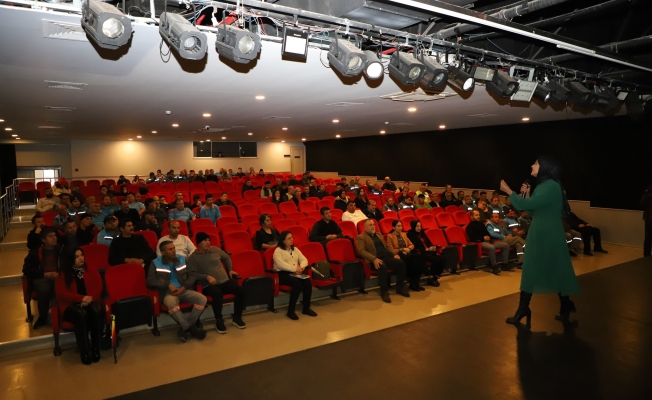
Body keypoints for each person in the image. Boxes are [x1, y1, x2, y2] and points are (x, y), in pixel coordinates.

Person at [500, 156, 580, 327]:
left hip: (549, 234)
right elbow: (531, 211)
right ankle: (525, 308)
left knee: (555, 268)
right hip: (541, 232)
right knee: (533, 268)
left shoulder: (551, 186)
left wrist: (508, 191)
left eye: (536, 163)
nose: (532, 165)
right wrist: (528, 195)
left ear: (545, 167)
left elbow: (526, 206)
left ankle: (564, 304)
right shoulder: (543, 186)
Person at [147, 241, 207, 342]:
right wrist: (167, 285)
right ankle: (191, 328)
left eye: (174, 248)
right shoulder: (156, 263)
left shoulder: (182, 259)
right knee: (171, 303)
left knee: (202, 299)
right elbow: (150, 281)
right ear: (163, 252)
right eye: (170, 249)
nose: (173, 251)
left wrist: (184, 287)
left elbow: (193, 275)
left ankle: (185, 327)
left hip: (184, 289)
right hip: (168, 293)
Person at [187, 232, 246, 332]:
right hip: (208, 285)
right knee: (217, 294)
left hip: (224, 281)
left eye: (208, 240)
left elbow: (226, 257)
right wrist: (206, 277)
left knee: (241, 290)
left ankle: (237, 317)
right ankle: (219, 320)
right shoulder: (193, 257)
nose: (208, 242)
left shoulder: (215, 249)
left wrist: (230, 269)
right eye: (205, 240)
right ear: (198, 243)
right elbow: (193, 274)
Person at [55, 248, 105, 365]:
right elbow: (62, 294)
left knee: (97, 310)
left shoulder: (90, 269)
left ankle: (96, 348)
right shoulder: (62, 274)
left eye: (81, 255)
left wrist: (89, 298)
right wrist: (81, 299)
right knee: (80, 314)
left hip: (90, 300)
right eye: (77, 256)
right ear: (70, 259)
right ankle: (84, 351)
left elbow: (98, 287)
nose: (81, 258)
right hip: (70, 305)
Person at [356, 219, 409, 303]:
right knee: (382, 266)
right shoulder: (361, 237)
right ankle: (384, 292)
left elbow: (386, 247)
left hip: (385, 257)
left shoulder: (379, 234)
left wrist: (393, 254)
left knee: (400, 263)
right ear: (365, 228)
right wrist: (374, 259)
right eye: (370, 225)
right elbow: (362, 251)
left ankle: (399, 287)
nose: (373, 226)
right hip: (374, 260)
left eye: (373, 224)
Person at [273, 231, 317, 320]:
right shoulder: (278, 251)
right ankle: (291, 311)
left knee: (307, 281)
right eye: (289, 238)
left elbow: (304, 260)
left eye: (292, 237)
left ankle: (306, 308)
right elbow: (281, 265)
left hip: (295, 272)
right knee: (296, 283)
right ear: (283, 241)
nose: (291, 240)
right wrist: (295, 268)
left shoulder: (295, 249)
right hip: (282, 274)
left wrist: (301, 267)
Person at [22, 228, 61, 329]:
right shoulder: (35, 253)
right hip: (42, 278)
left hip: (59, 277)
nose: (54, 238)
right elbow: (26, 270)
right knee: (44, 288)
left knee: (61, 285)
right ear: (43, 240)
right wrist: (45, 274)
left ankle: (60, 315)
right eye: (50, 236)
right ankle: (43, 316)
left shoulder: (61, 250)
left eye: (55, 235)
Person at [386, 220, 427, 292]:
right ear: (393, 227)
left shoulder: (404, 234)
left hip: (407, 253)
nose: (400, 228)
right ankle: (413, 283)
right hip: (399, 254)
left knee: (420, 261)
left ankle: (415, 283)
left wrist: (408, 249)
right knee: (414, 262)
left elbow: (412, 245)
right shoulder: (390, 236)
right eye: (398, 226)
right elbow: (390, 249)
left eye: (401, 226)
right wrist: (402, 249)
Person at [466, 209, 508, 275]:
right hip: (480, 243)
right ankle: (494, 267)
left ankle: (505, 264)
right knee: (491, 248)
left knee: (505, 245)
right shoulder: (470, 226)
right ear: (471, 216)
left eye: (479, 215)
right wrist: (483, 238)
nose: (478, 216)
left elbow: (487, 233)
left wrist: (488, 237)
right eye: (476, 215)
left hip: (488, 241)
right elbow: (472, 237)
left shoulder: (481, 224)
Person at [407, 220, 446, 286]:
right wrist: (426, 249)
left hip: (428, 251)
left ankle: (436, 276)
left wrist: (432, 247)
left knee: (443, 259)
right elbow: (415, 246)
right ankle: (430, 277)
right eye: (417, 226)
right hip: (420, 253)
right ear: (413, 227)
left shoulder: (422, 232)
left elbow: (428, 241)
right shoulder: (410, 234)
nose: (419, 228)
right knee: (435, 260)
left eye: (420, 226)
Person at [641, 185, 652, 256]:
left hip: (649, 219)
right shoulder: (647, 194)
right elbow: (642, 203)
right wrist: (646, 194)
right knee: (648, 239)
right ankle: (646, 255)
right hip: (648, 219)